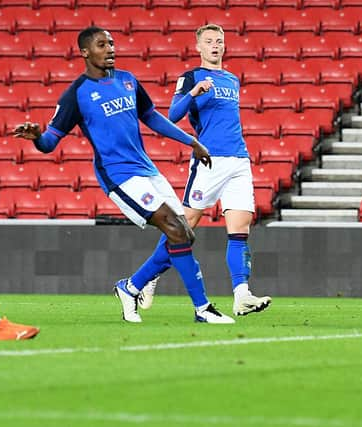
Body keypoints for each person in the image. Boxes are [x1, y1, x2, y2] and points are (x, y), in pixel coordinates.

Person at [14, 26, 234, 324]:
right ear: (85, 52)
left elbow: (152, 117)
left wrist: (191, 141)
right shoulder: (77, 94)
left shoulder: (128, 80)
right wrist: (37, 137)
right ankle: (202, 309)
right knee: (175, 228)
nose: (110, 49)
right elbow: (50, 142)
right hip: (119, 176)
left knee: (185, 234)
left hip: (147, 169)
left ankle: (130, 288)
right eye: (102, 45)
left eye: (112, 43)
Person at [129, 24, 271, 317]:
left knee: (240, 228)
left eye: (219, 41)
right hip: (209, 161)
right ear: (199, 47)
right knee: (184, 227)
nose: (215, 46)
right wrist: (194, 92)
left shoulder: (232, 79)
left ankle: (241, 294)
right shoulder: (191, 77)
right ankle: (143, 279)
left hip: (239, 160)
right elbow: (172, 114)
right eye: (209, 41)